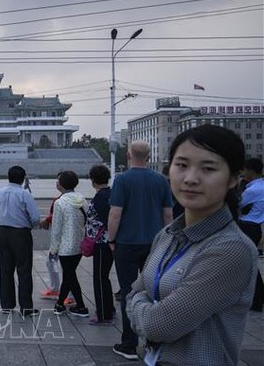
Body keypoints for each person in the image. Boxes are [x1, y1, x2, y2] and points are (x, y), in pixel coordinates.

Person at [127, 124, 258, 365]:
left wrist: (143, 307)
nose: (190, 178)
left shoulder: (230, 250)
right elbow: (133, 293)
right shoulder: (167, 235)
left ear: (233, 179)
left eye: (208, 168)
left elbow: (160, 326)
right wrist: (146, 304)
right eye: (182, 165)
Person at [108, 140, 174, 360]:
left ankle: (129, 344)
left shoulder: (122, 180)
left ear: (128, 155)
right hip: (155, 244)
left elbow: (115, 213)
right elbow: (168, 215)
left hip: (126, 244)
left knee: (129, 291)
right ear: (148, 156)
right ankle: (154, 342)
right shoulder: (161, 181)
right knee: (155, 291)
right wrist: (167, 241)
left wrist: (112, 239)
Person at [0, 166, 41, 318]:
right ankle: (25, 307)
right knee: (24, 270)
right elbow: (35, 218)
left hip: (3, 232)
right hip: (20, 233)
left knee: (5, 270)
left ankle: (6, 305)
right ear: (23, 178)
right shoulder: (24, 194)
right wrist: (31, 225)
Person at [50, 171, 89, 318]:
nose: (56, 183)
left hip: (65, 247)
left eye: (58, 180)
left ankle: (81, 306)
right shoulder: (83, 200)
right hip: (79, 245)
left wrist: (53, 248)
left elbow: (57, 229)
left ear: (62, 184)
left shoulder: (60, 203)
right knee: (69, 274)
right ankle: (60, 304)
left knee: (70, 275)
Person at [86, 165, 115, 325]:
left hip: (103, 243)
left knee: (100, 278)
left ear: (93, 180)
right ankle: (109, 308)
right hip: (107, 242)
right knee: (104, 277)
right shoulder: (110, 194)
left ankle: (104, 313)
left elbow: (107, 219)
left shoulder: (101, 198)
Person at [238, 157, 264, 312]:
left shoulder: (253, 189)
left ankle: (256, 301)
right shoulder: (260, 186)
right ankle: (259, 297)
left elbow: (238, 203)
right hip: (254, 227)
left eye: (245, 169)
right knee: (250, 263)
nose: (243, 172)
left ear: (251, 171)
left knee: (248, 265)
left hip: (247, 226)